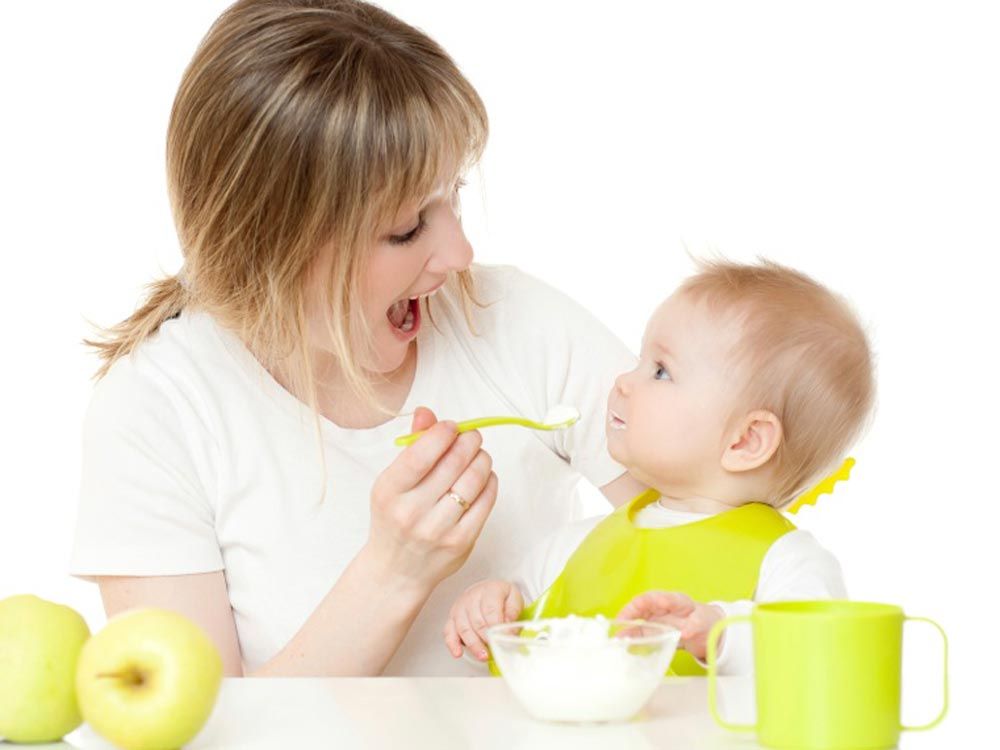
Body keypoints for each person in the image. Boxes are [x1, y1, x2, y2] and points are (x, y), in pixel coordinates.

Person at [69, 0, 646, 677]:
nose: (458, 253)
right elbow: (204, 729)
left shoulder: (513, 319)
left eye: (450, 197)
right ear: (269, 246)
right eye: (406, 229)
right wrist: (393, 574)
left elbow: (713, 533)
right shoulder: (163, 409)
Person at [444, 259, 876, 675]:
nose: (623, 381)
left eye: (661, 371)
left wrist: (719, 636)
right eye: (640, 362)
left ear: (745, 441)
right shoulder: (576, 547)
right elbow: (511, 637)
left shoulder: (787, 561)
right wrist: (489, 612)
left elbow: (817, 655)